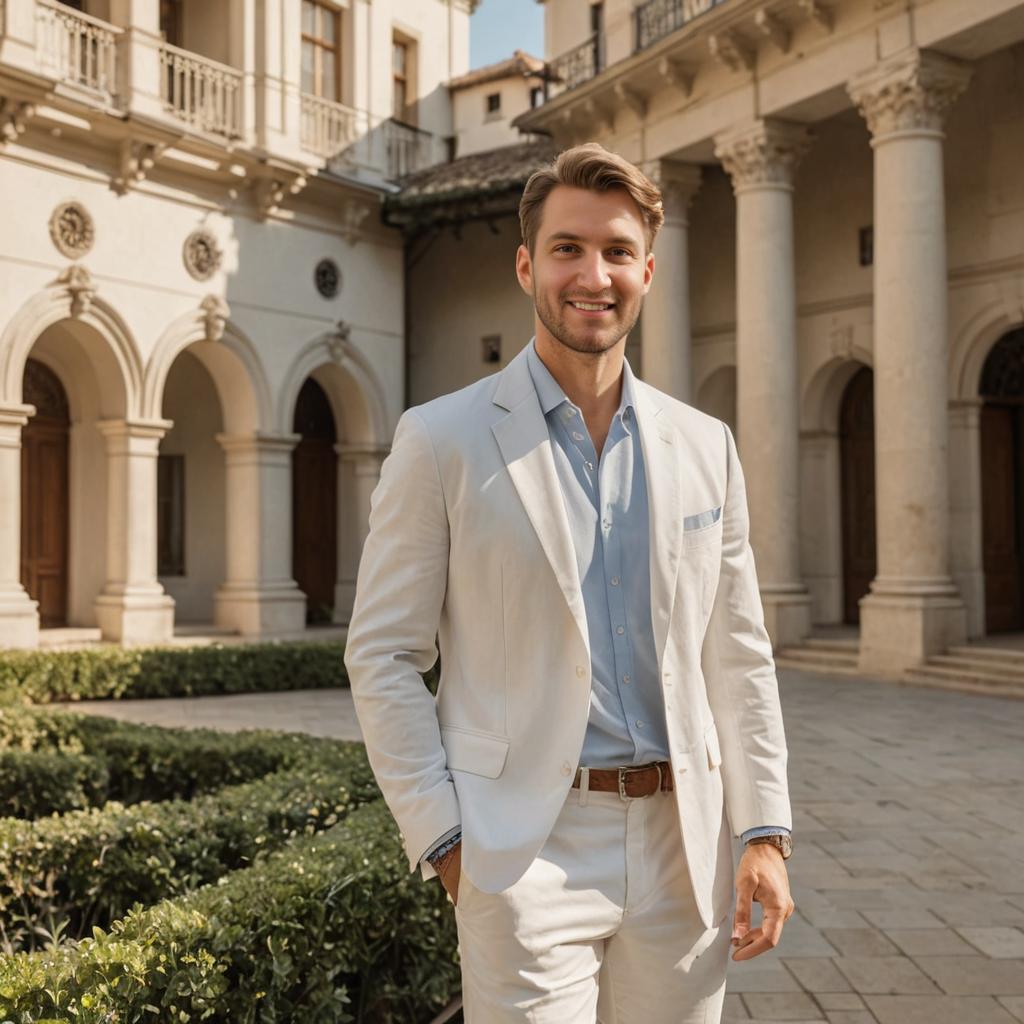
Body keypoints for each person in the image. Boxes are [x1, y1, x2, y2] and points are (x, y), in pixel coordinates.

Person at [344, 142, 794, 1023]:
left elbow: (737, 653)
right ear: (526, 265)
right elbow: (386, 653)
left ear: (648, 271)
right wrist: (445, 841)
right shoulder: (441, 440)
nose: (594, 274)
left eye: (618, 252)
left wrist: (764, 831)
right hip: (524, 852)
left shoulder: (707, 446)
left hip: (683, 846)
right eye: (568, 248)